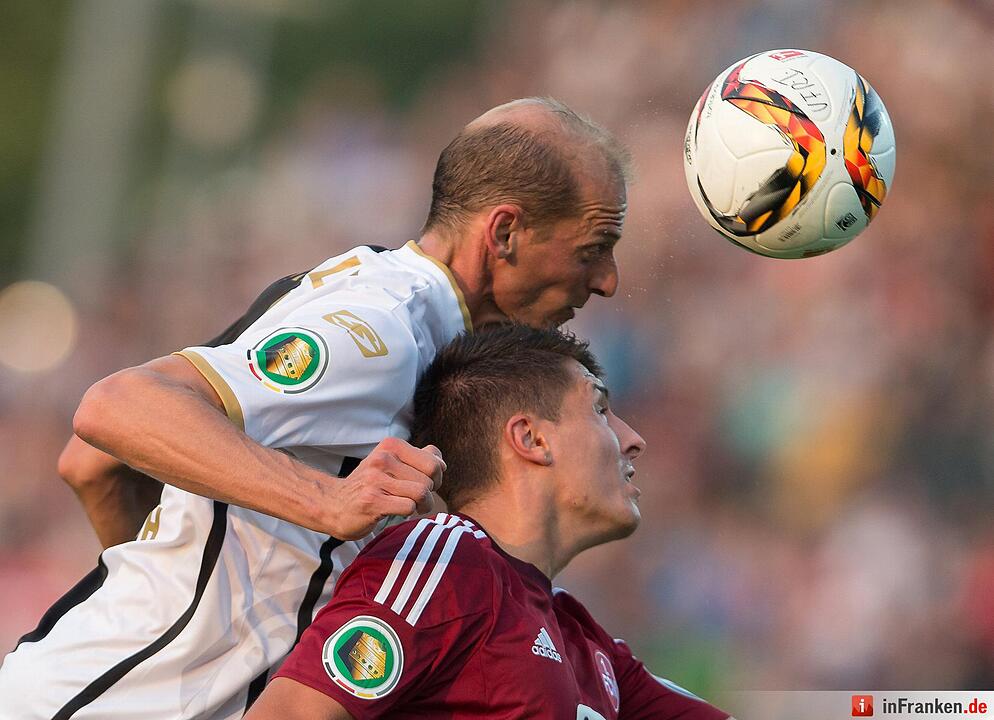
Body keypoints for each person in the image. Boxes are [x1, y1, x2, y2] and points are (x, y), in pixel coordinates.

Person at [0, 98, 631, 719]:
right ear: (504, 232)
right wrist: (322, 503)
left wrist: (185, 593)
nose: (606, 279)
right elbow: (115, 408)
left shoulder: (404, 315)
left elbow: (90, 465)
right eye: (592, 248)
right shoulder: (378, 332)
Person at [245, 325, 732, 720]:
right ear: (531, 439)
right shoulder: (445, 559)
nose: (633, 439)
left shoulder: (584, 641)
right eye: (601, 409)